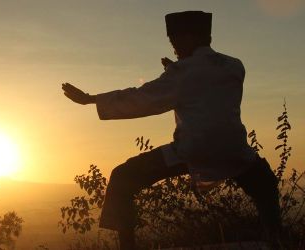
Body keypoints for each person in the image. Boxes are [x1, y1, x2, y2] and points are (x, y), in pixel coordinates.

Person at [62, 11, 281, 250]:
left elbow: (142, 98)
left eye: (175, 41)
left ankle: (127, 245)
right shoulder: (235, 67)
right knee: (265, 183)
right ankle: (277, 239)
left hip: (191, 151)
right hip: (236, 151)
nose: (174, 47)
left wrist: (90, 99)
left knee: (123, 176)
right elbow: (205, 85)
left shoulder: (181, 74)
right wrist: (176, 69)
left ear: (190, 37)